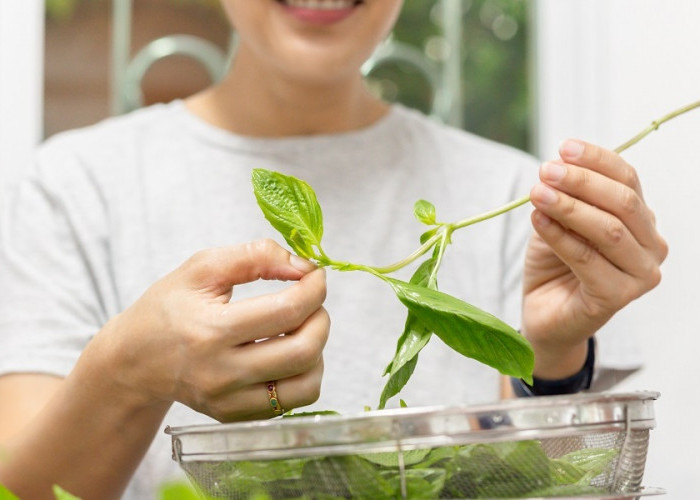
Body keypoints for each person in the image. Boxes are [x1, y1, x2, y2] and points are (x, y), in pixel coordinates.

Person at [0, 0, 667, 498]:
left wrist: (548, 358)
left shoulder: (513, 198)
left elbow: (567, 480)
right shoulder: (76, 187)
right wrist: (125, 374)